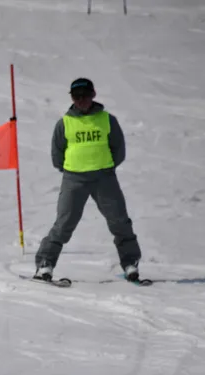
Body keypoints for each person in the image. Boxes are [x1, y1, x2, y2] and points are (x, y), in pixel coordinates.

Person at [34, 78, 143, 283]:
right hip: (74, 179)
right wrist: (71, 169)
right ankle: (45, 264)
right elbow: (57, 154)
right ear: (72, 98)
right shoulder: (64, 123)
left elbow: (118, 149)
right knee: (64, 223)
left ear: (93, 94)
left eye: (85, 95)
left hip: (104, 178)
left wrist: (105, 166)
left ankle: (130, 263)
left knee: (119, 221)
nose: (81, 100)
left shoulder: (107, 120)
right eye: (76, 96)